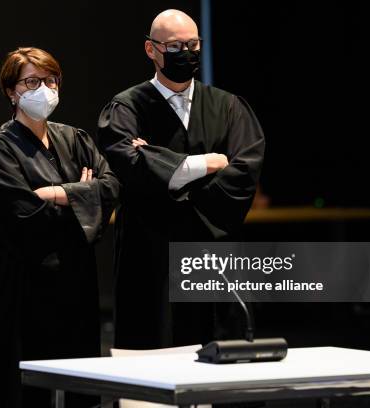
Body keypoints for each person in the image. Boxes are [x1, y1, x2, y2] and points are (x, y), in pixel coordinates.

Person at [97, 10, 265, 350]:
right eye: (175, 45)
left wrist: (164, 170)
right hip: (150, 255)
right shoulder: (126, 108)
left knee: (220, 353)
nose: (186, 52)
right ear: (151, 49)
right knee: (151, 354)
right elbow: (129, 165)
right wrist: (204, 165)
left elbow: (244, 169)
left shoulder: (228, 107)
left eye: (193, 44)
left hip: (213, 254)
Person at [0, 47, 119, 407]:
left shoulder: (76, 139)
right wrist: (85, 197)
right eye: (32, 81)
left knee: (81, 384)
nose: (45, 88)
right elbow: (23, 217)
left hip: (74, 280)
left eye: (51, 80)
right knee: (20, 389)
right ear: (11, 91)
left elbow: (112, 189)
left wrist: (58, 193)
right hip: (18, 283)